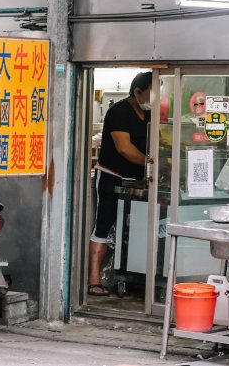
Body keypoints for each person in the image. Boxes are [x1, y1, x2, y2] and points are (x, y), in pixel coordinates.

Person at [88, 71, 152, 297]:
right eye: (152, 93)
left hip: (140, 180)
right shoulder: (119, 112)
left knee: (130, 229)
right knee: (104, 224)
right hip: (111, 176)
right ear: (137, 92)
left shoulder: (151, 114)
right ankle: (94, 278)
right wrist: (151, 162)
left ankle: (126, 274)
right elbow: (123, 148)